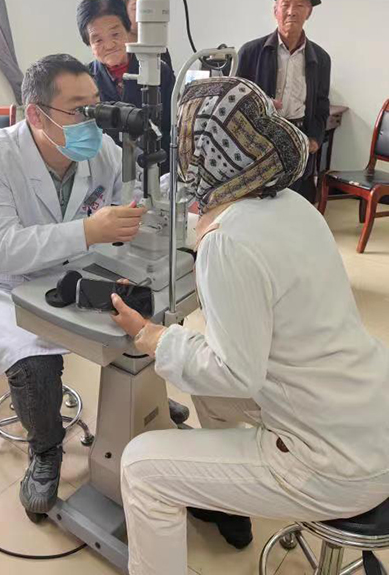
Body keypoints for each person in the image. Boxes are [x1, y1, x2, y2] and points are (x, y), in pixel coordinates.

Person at [111, 77, 389, 575]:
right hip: (367, 412)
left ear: (200, 152)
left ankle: (220, 490)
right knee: (208, 394)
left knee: (140, 466)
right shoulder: (292, 204)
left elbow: (236, 372)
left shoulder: (227, 241)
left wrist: (152, 336)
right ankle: (225, 500)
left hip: (335, 462)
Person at [0, 53, 148, 515]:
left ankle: (147, 407)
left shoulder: (102, 150)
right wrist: (88, 230)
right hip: (4, 284)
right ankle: (45, 449)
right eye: (79, 109)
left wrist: (137, 217)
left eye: (96, 105)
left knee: (144, 312)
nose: (93, 120)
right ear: (35, 114)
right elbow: (2, 249)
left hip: (76, 268)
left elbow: (128, 204)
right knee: (33, 363)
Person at [236, 0, 331, 202]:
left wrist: (314, 139)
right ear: (275, 10)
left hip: (299, 139)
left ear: (309, 12)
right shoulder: (250, 52)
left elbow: (321, 104)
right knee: (257, 204)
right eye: (285, 4)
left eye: (300, 5)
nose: (291, 12)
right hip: (259, 141)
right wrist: (263, 104)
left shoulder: (321, 59)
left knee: (292, 204)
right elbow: (236, 102)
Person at [76, 0, 175, 173]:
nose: (109, 45)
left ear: (127, 30)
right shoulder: (84, 80)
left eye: (115, 34)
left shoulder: (158, 70)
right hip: (107, 173)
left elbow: (172, 128)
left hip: (157, 169)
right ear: (88, 43)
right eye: (98, 40)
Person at [104, 0, 174, 71]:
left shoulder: (158, 52)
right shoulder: (110, 57)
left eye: (150, 4)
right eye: (140, 6)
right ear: (119, 12)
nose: (150, 11)